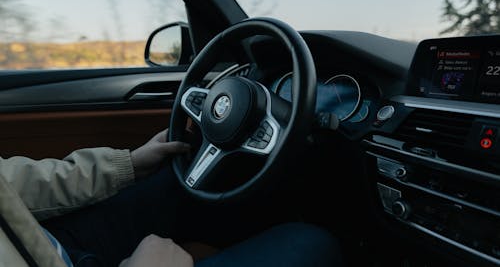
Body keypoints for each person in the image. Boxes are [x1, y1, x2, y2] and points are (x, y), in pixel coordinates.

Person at [0, 129, 343, 267]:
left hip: (39, 242)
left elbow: (8, 182)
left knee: (177, 185)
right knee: (310, 243)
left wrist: (127, 165)